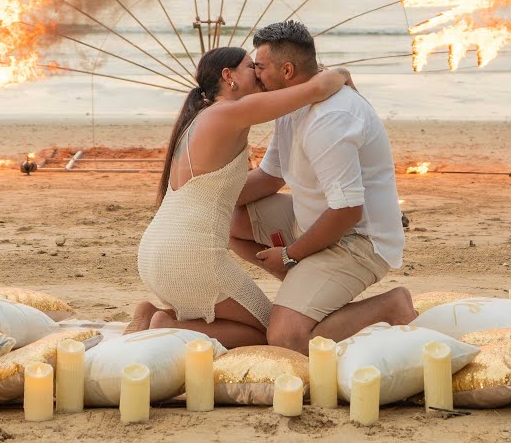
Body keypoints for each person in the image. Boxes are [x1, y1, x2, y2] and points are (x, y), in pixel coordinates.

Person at [128, 46, 353, 348]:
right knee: (267, 335)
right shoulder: (229, 112)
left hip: (156, 253)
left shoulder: (203, 119)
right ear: (228, 76)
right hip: (190, 257)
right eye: (252, 67)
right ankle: (168, 324)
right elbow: (314, 90)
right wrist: (341, 74)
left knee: (246, 325)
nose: (259, 73)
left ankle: (155, 314)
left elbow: (260, 182)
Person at [229, 20, 414, 352]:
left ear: (287, 70)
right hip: (312, 222)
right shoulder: (291, 102)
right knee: (227, 220)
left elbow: (347, 211)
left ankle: (391, 307)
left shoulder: (329, 119)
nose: (255, 74)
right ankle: (308, 289)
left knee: (286, 338)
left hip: (357, 240)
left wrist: (288, 256)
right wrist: (203, 198)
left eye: (260, 67)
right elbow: (272, 176)